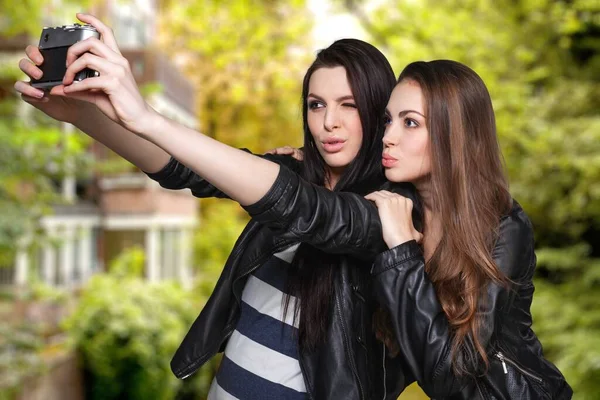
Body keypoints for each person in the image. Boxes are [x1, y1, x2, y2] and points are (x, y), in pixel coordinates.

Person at [15, 13, 415, 400]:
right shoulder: (292, 171)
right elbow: (185, 169)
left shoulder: (395, 210)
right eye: (316, 104)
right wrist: (83, 115)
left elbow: (307, 210)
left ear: (380, 113)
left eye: (348, 105)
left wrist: (147, 117)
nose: (329, 122)